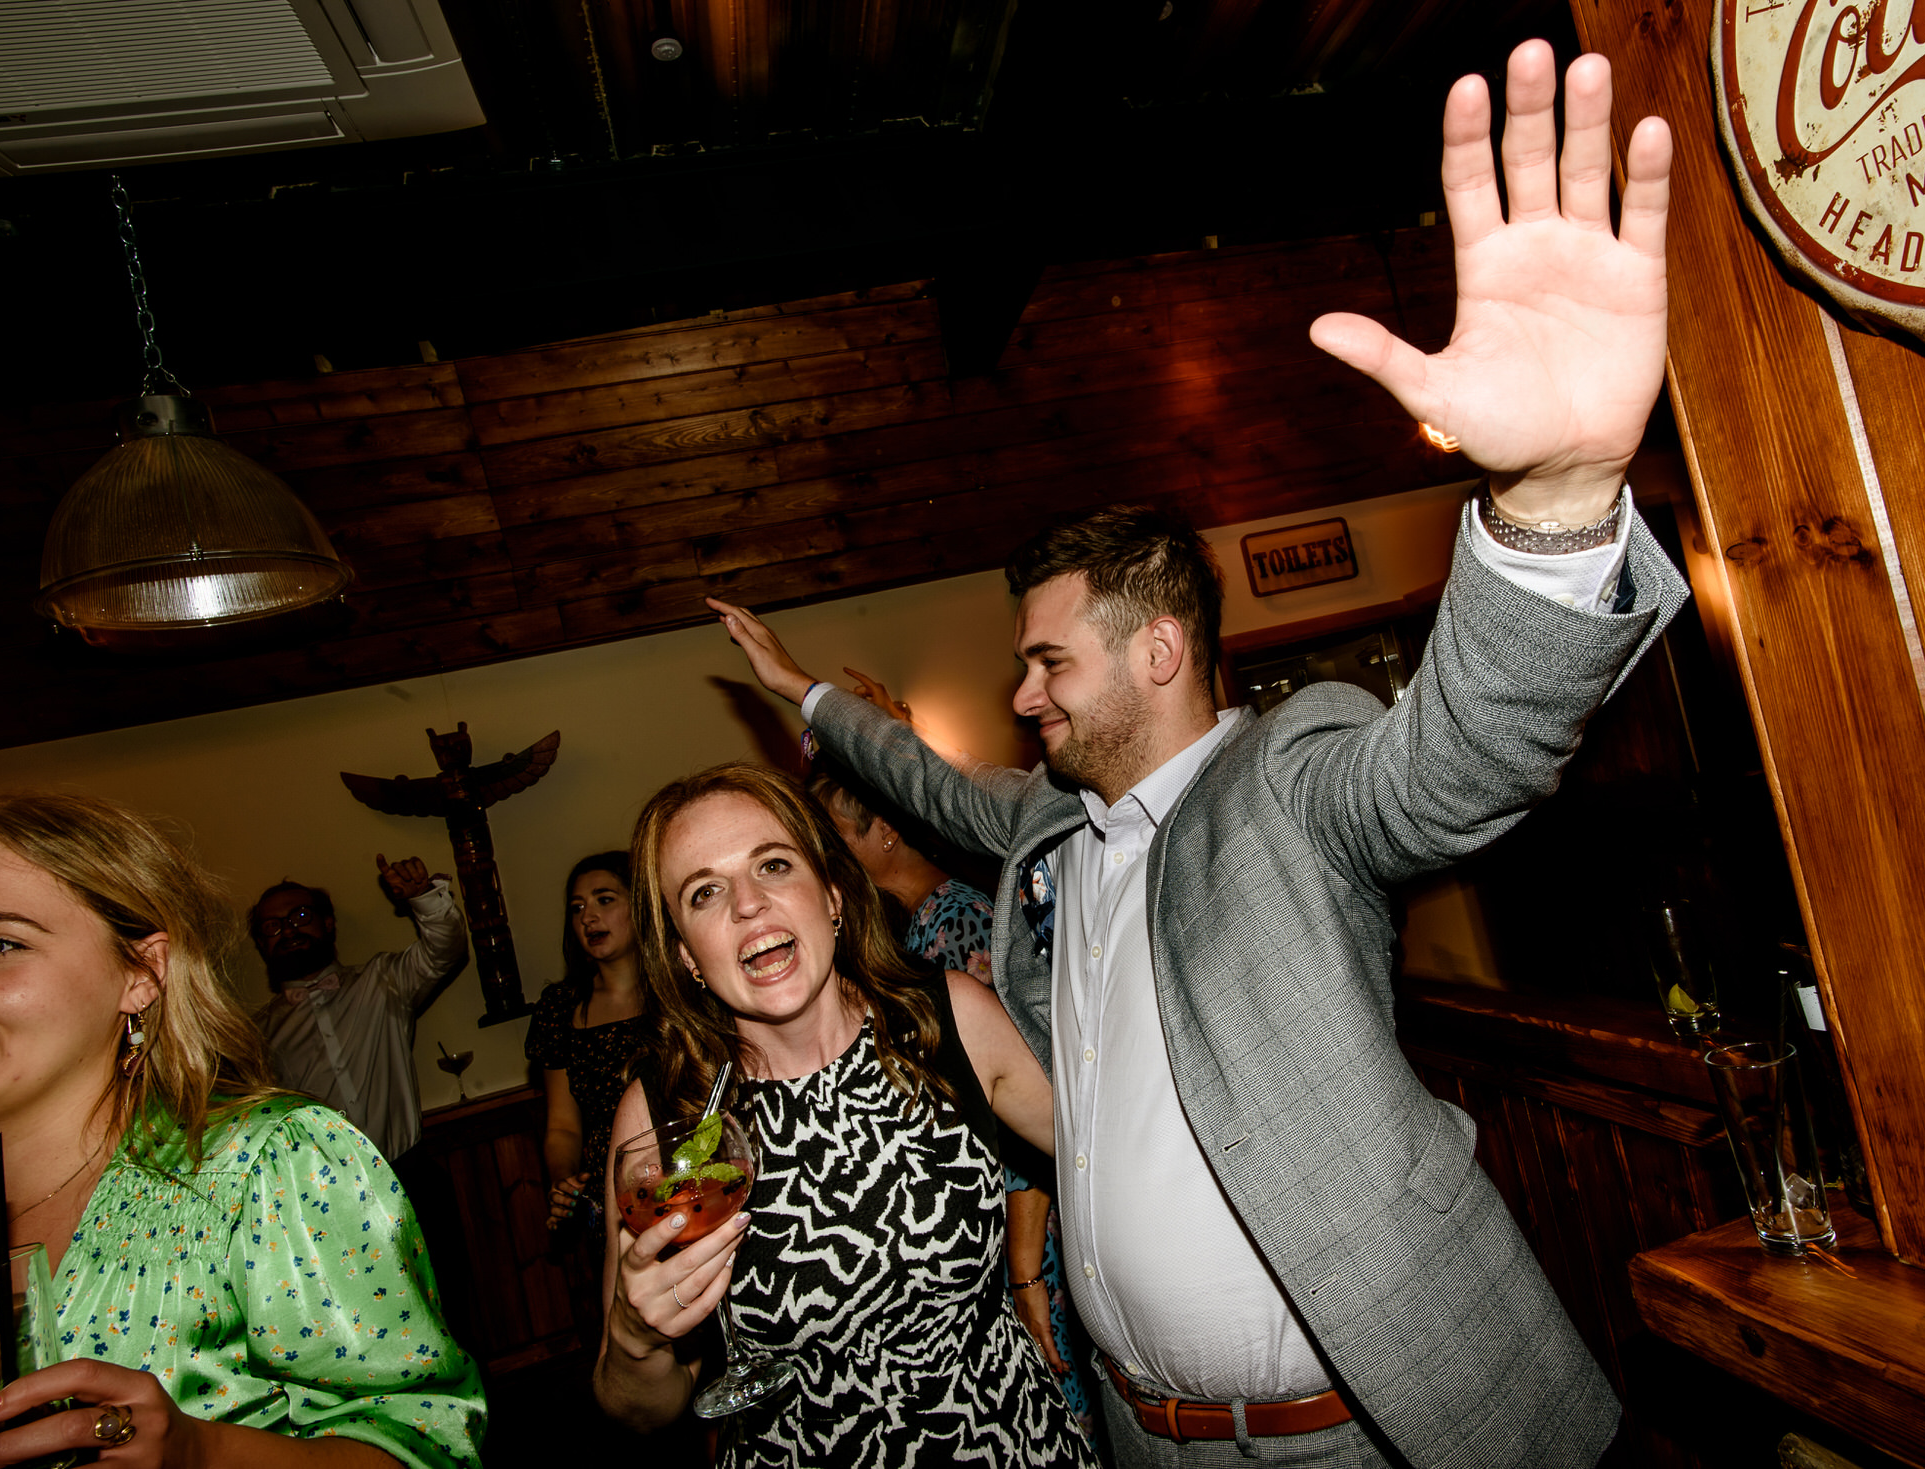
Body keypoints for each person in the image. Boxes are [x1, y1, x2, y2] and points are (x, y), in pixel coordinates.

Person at [707, 40, 1682, 1468]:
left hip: (1361, 1434)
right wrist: (804, 700)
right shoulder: (1050, 827)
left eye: (1050, 662)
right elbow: (920, 783)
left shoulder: (1292, 773)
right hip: (1145, 1440)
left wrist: (1557, 497)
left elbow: (1462, 764)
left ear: (1159, 649)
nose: (1026, 696)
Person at [591, 763, 1095, 1469]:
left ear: (830, 893)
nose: (748, 904)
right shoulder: (664, 1112)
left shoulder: (946, 1022)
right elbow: (638, 1409)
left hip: (1014, 1446)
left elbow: (1109, 1157)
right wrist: (635, 1336)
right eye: (705, 892)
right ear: (685, 955)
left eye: (772, 863)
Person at [0, 792, 484, 1467]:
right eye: (273, 925)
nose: (288, 932)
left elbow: (424, 1444)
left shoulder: (266, 1161)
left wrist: (201, 1451)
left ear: (142, 970)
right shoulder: (272, 1025)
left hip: (382, 1187)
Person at [813, 727, 1097, 1441]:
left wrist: (1025, 1263)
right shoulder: (911, 931)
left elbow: (1019, 1096)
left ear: (883, 832)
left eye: (833, 836)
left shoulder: (963, 917)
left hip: (1026, 1215)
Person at [249, 854, 469, 1166]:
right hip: (325, 1197)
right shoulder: (255, 1035)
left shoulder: (383, 980)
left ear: (328, 923)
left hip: (409, 1170)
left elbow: (445, 951)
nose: (288, 931)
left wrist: (422, 897)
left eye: (300, 915)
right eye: (273, 926)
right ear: (262, 943)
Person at [529, 851, 653, 1250]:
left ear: (641, 905)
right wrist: (565, 1180)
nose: (587, 917)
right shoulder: (560, 1007)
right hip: (614, 1202)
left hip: (695, 1175)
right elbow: (563, 1126)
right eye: (577, 907)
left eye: (604, 899)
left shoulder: (684, 987)